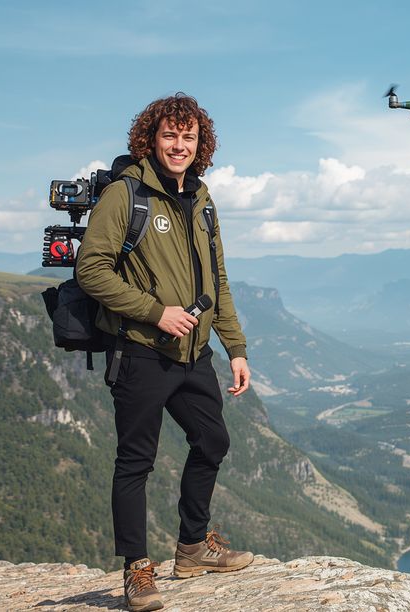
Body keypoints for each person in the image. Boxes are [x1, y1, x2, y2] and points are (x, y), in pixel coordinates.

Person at [77, 93, 253, 612]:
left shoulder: (202, 199)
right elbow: (91, 270)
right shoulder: (127, 195)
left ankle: (193, 547)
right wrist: (155, 312)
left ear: (201, 145)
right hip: (142, 353)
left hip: (194, 354)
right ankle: (136, 569)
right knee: (135, 461)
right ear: (151, 139)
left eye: (189, 137)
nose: (179, 146)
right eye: (170, 136)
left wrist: (235, 347)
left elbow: (216, 279)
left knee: (213, 440)